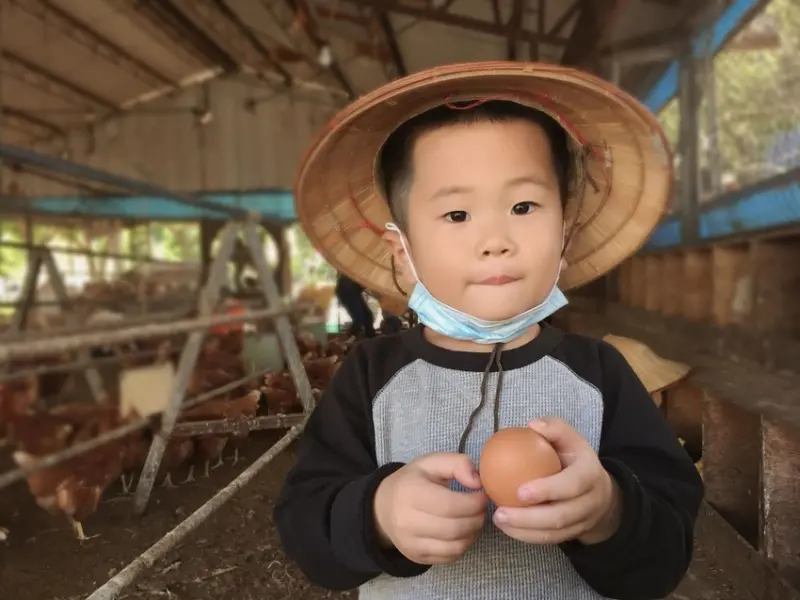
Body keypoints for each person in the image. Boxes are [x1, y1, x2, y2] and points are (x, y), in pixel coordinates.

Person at [275, 62, 704, 600]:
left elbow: (667, 550)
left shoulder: (600, 374)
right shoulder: (369, 378)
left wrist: (609, 511)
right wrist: (377, 514)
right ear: (402, 253)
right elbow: (304, 525)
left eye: (523, 206)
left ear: (565, 236)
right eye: (457, 215)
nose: (495, 240)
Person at [335, 273, 376, 337]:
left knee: (367, 316)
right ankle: (348, 337)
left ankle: (369, 337)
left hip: (350, 287)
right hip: (347, 288)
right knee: (360, 318)